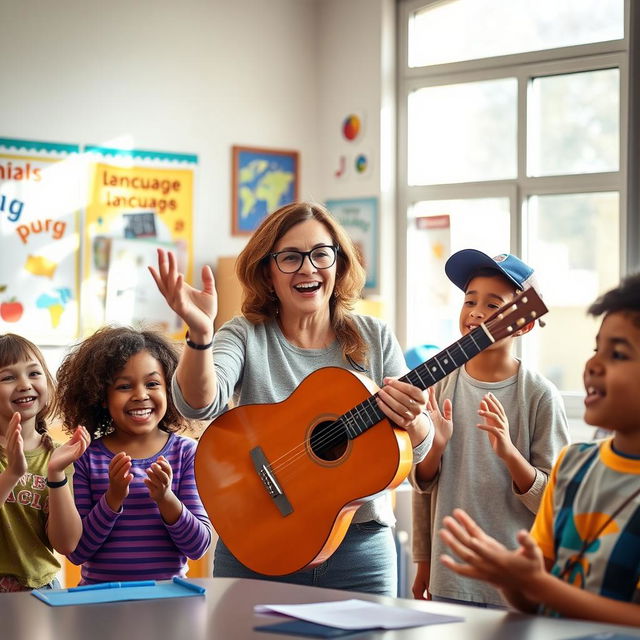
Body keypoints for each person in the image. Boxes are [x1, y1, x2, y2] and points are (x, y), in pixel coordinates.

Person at [149, 201, 433, 596]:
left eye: (320, 254)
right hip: (259, 541)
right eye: (290, 257)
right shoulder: (245, 334)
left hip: (360, 552)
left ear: (339, 264)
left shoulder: (375, 336)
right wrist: (199, 331)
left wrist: (415, 419)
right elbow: (198, 403)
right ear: (267, 272)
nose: (308, 268)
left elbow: (415, 452)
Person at [438, 273, 640, 626]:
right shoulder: (575, 464)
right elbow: (533, 598)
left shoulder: (538, 394)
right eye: (596, 350)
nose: (593, 365)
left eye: (618, 354)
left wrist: (537, 585)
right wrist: (513, 580)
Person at [411, 249, 569, 606]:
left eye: (494, 305)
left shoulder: (540, 396)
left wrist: (510, 454)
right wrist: (423, 562)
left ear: (525, 323)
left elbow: (556, 502)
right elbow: (423, 488)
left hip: (516, 584)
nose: (477, 313)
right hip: (449, 575)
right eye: (470, 301)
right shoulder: (439, 383)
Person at [55, 327, 212, 584]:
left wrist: (165, 498)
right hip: (99, 600)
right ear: (102, 398)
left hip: (167, 601)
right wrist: (113, 498)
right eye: (124, 386)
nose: (141, 395)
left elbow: (197, 547)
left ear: (170, 389)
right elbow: (77, 551)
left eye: (152, 384)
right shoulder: (86, 457)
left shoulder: (186, 453)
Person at [0, 333, 90, 592]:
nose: (24, 384)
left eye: (34, 373)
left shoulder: (58, 457)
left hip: (41, 590)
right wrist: (13, 473)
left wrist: (56, 473)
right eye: (8, 377)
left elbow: (66, 544)